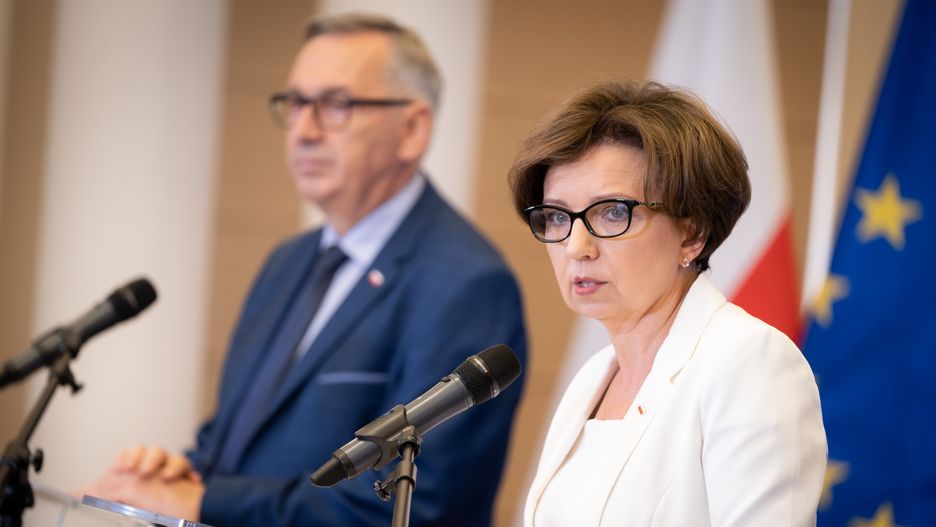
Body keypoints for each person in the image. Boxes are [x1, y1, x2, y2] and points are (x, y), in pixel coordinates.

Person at [83, 13, 527, 526]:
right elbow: (233, 440)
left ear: (412, 129)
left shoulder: (466, 283)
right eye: (296, 103)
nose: (304, 131)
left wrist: (206, 501)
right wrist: (178, 474)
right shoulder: (287, 262)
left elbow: (418, 504)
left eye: (336, 105)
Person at [510, 80, 826, 526]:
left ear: (692, 234)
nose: (577, 247)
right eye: (558, 216)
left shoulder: (749, 362)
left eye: (612, 212)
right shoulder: (591, 379)